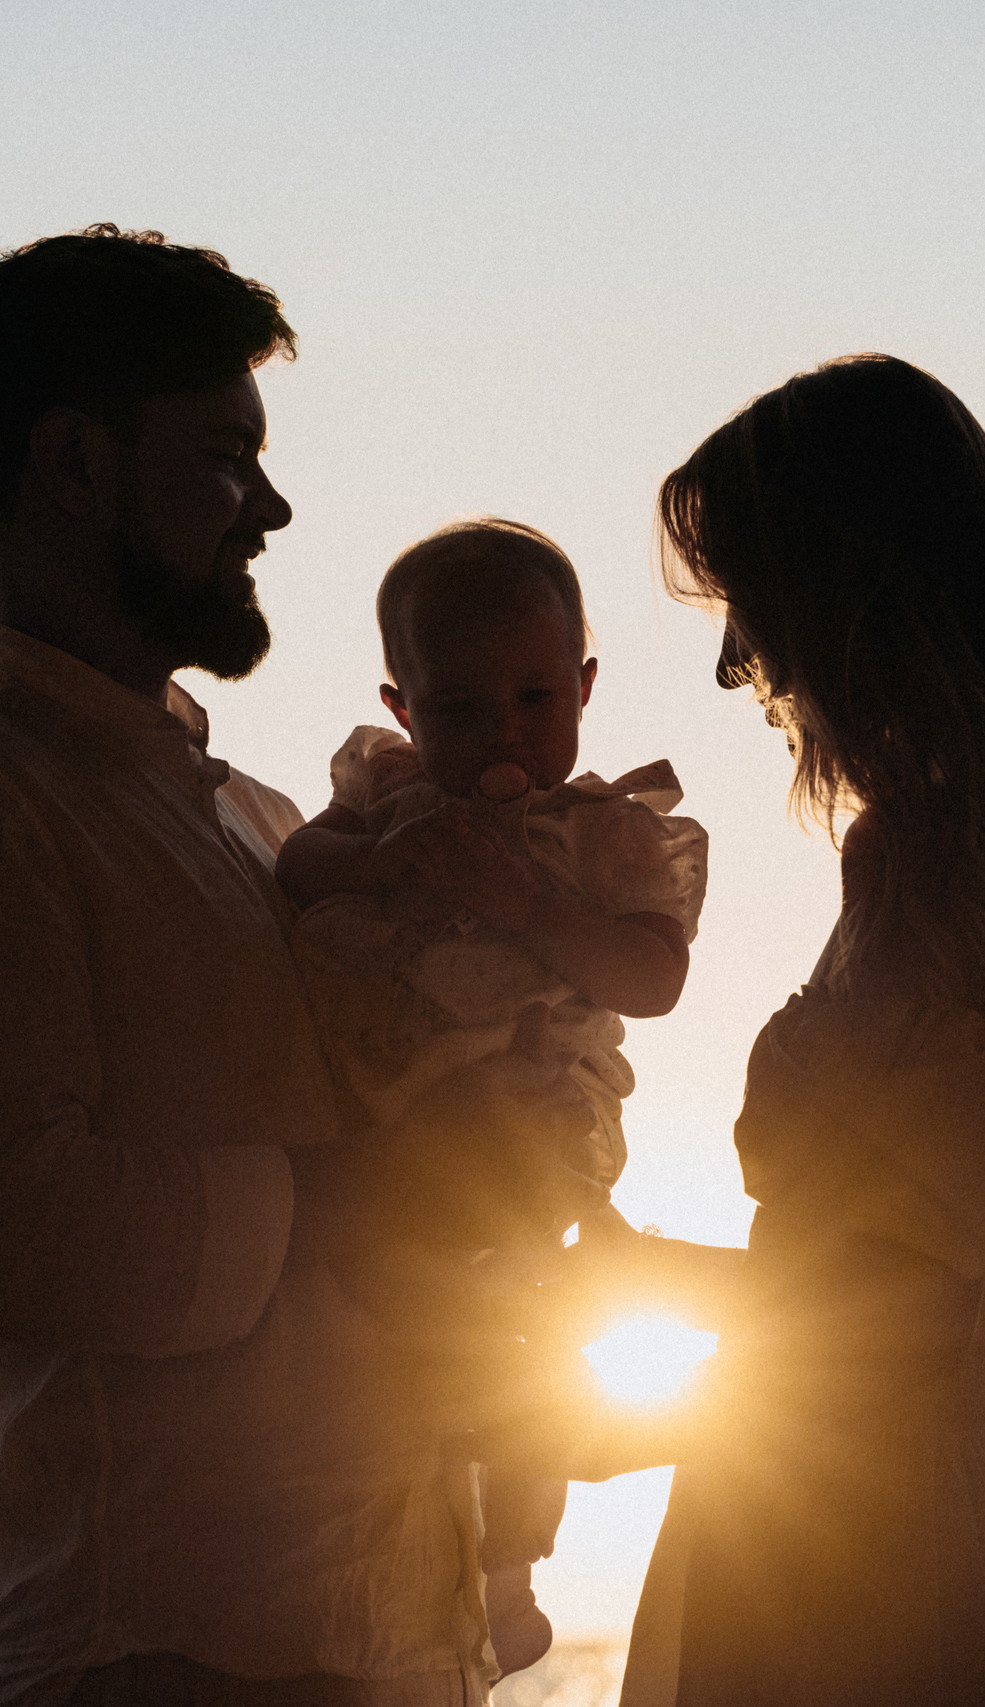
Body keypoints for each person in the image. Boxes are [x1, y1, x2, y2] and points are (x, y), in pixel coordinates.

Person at [0, 226, 574, 1707]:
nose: (272, 505)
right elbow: (7, 1231)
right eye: (226, 456)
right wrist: (379, 1181)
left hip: (393, 1646)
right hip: (147, 1655)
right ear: (75, 465)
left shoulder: (260, 824)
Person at [605, 355, 985, 1706]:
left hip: (865, 1572)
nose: (738, 655)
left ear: (855, 589)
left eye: (751, 596)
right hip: (915, 1523)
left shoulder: (947, 871)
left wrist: (610, 1271)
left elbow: (933, 1320)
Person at [274, 519, 709, 1676]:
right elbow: (296, 870)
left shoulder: (609, 834)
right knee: (403, 1321)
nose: (503, 734)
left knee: (528, 1331)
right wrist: (371, 863)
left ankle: (511, 1565)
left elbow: (653, 977)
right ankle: (449, 1557)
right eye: (460, 710)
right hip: (399, 1109)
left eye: (532, 699)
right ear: (404, 709)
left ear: (583, 686)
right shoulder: (384, 796)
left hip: (538, 1110)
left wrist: (533, 912)